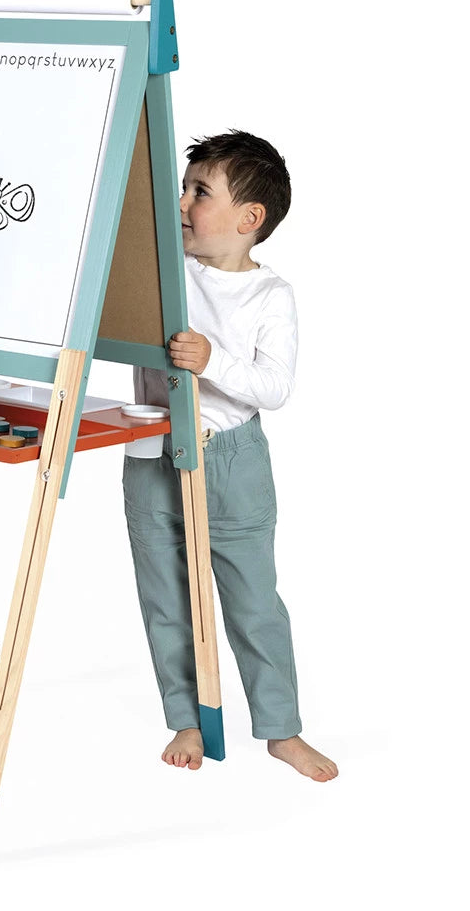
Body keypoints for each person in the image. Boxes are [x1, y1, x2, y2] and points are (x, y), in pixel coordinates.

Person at [122, 131, 338, 782]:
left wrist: (212, 361)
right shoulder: (166, 267)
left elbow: (274, 387)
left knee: (252, 601)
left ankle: (281, 728)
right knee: (166, 597)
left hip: (231, 459)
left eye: (200, 192)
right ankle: (186, 717)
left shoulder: (270, 296)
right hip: (153, 447)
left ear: (249, 219)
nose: (182, 203)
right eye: (184, 188)